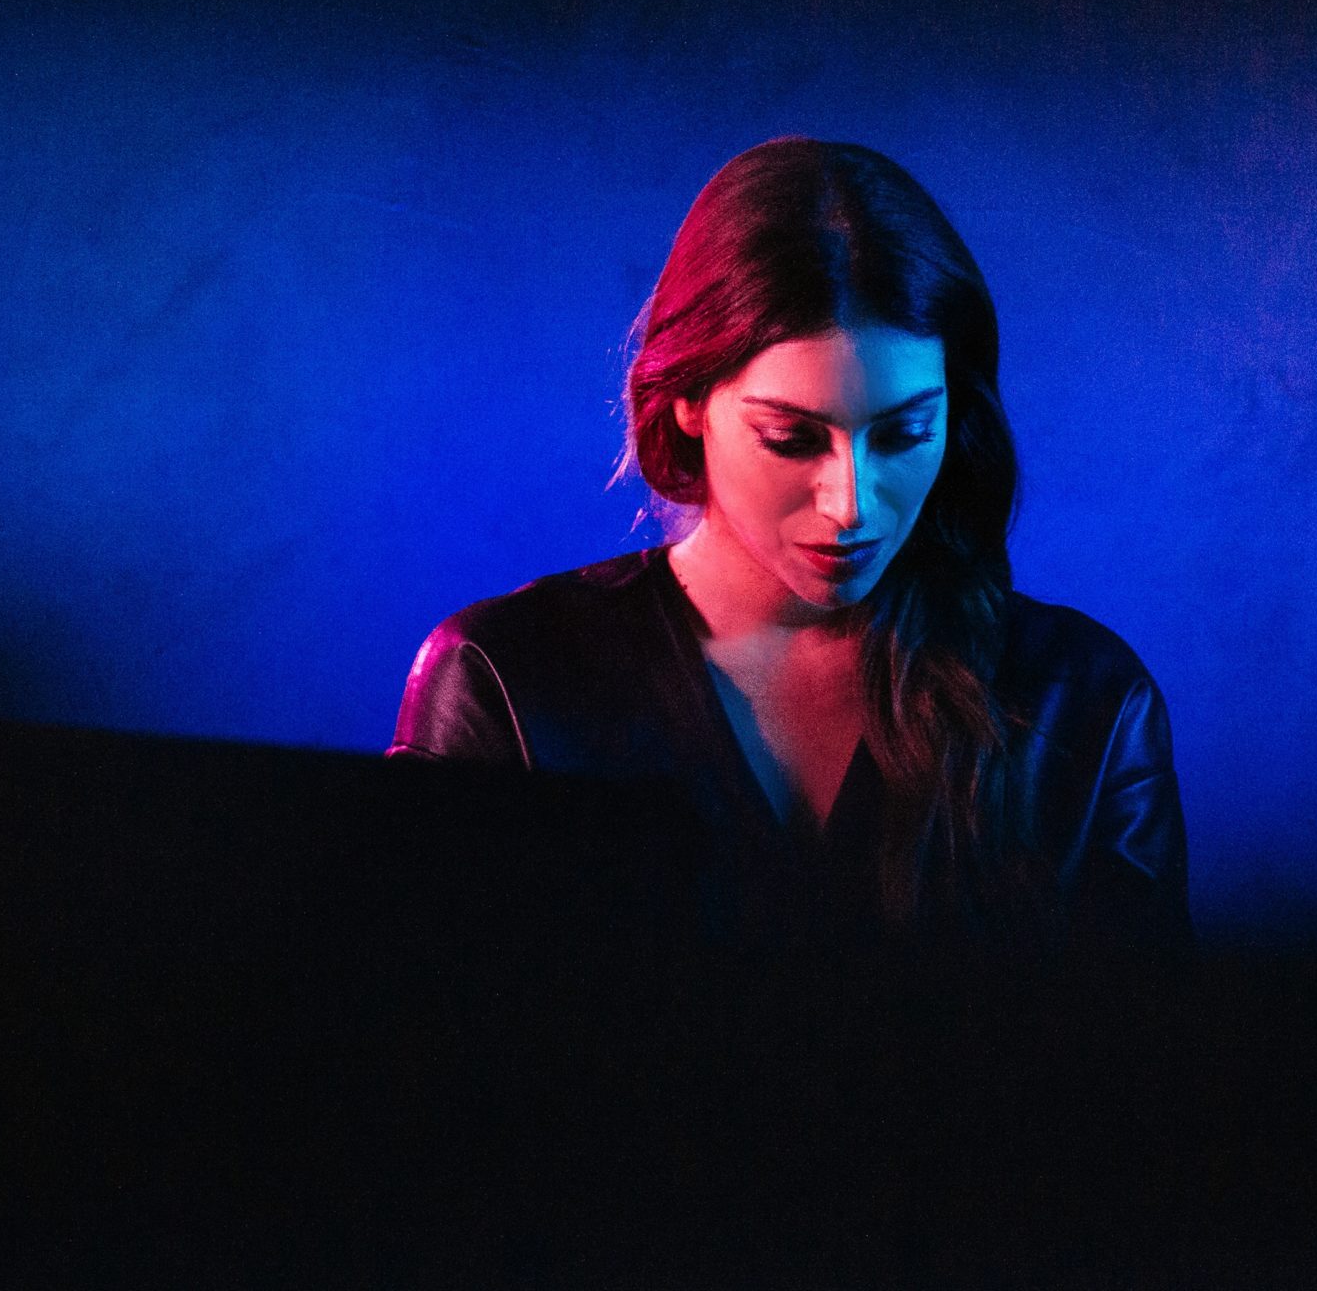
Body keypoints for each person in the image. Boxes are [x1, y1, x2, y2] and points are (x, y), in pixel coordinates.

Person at [390, 136, 1190, 950]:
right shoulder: (507, 682)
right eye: (792, 438)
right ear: (686, 402)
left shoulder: (1084, 706)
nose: (852, 506)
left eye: (904, 433)